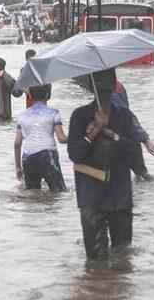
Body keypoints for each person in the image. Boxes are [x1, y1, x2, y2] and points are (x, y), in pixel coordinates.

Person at [67, 68, 139, 260]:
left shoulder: (124, 116)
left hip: (120, 198)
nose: (105, 89)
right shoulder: (80, 116)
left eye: (108, 84)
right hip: (92, 199)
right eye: (100, 85)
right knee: (96, 262)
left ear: (115, 85)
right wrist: (94, 132)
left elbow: (135, 157)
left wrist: (113, 136)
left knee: (123, 259)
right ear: (91, 88)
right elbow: (74, 154)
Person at [14, 84, 68, 192]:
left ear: (30, 95)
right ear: (48, 94)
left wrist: (18, 167)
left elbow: (17, 143)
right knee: (59, 192)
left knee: (32, 194)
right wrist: (78, 137)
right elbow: (61, 139)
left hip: (28, 158)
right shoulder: (53, 113)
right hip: (48, 156)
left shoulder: (22, 115)